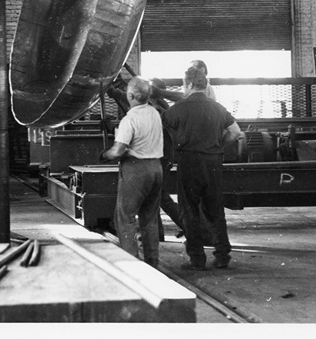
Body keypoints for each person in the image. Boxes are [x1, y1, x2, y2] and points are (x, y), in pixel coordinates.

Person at [162, 66, 242, 270]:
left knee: (189, 210)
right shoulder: (218, 108)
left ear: (189, 84)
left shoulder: (178, 108)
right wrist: (218, 144)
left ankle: (197, 259)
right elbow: (235, 132)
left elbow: (163, 128)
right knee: (215, 209)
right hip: (213, 163)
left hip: (189, 162)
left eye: (183, 85)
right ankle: (222, 255)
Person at [99, 77, 164, 267]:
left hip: (136, 170)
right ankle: (152, 263)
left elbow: (118, 151)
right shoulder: (154, 113)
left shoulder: (130, 119)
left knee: (125, 218)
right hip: (156, 168)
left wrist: (104, 155)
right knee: (150, 220)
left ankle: (132, 265)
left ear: (130, 95)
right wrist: (114, 128)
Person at [147, 79, 185, 240]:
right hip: (162, 156)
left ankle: (186, 226)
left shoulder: (159, 107)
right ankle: (157, 232)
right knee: (154, 194)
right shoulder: (158, 105)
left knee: (158, 194)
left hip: (161, 157)